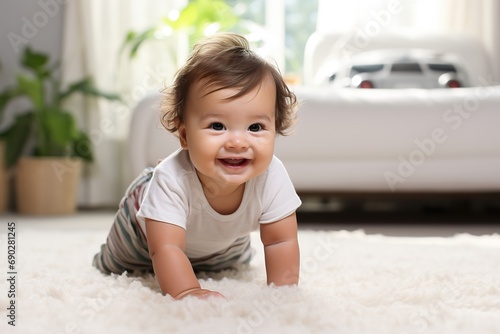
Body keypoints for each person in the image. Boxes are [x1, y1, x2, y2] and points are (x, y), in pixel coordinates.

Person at [93, 32, 302, 300]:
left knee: (230, 259)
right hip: (141, 240)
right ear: (184, 136)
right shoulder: (171, 178)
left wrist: (283, 294)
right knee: (116, 265)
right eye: (217, 126)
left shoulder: (272, 174)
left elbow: (280, 240)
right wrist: (189, 291)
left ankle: (208, 260)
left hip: (218, 244)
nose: (238, 142)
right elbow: (165, 248)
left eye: (255, 127)